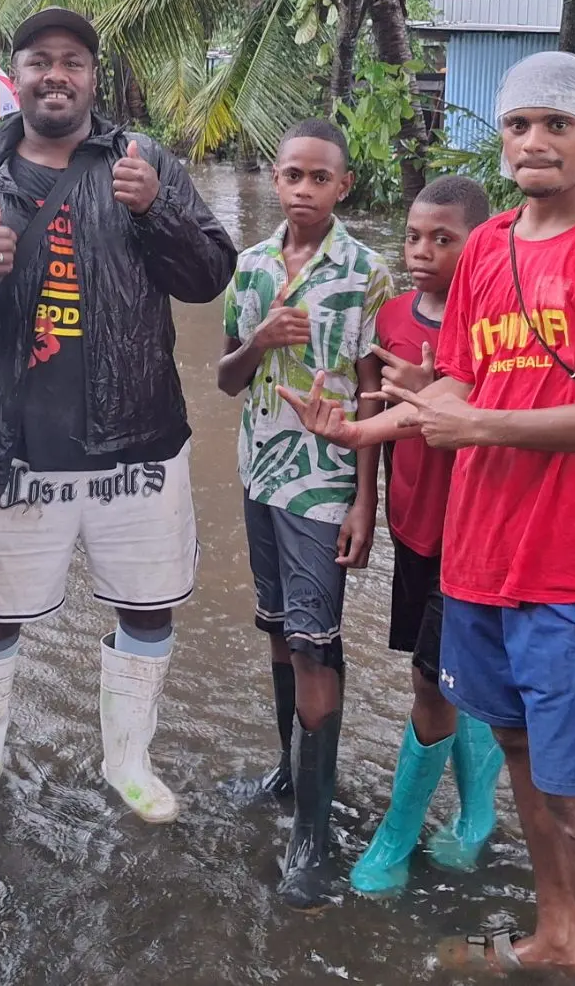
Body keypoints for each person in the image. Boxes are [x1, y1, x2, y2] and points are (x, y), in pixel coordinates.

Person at [284, 52, 575, 983]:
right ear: (499, 138)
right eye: (518, 125)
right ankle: (558, 935)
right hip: (477, 557)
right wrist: (364, 427)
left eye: (557, 124)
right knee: (517, 752)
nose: (536, 142)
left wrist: (480, 422)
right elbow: (459, 382)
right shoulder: (493, 245)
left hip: (572, 564)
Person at [0, 6, 236, 830]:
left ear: (95, 76)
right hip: (11, 444)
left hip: (136, 438)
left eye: (72, 61)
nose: (55, 75)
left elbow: (208, 278)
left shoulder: (144, 162)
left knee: (147, 604)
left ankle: (129, 759)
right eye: (38, 61)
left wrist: (155, 210)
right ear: (15, 75)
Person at [217, 119, 393, 910]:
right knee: (282, 637)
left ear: (343, 186)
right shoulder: (250, 267)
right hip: (261, 474)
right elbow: (225, 379)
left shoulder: (365, 272)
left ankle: (314, 840)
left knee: (317, 646)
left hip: (323, 487)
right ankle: (291, 776)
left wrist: (367, 498)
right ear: (276, 178)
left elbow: (373, 391)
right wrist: (257, 339)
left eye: (320, 178)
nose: (304, 190)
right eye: (292, 175)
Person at [348, 174, 505, 898]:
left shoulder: (493, 326)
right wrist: (367, 504)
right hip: (413, 523)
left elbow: (502, 418)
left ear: (480, 245)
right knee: (440, 670)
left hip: (472, 532)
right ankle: (478, 815)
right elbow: (372, 419)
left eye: (444, 239)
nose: (423, 251)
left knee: (430, 678)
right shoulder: (388, 317)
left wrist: (439, 376)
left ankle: (398, 835)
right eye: (414, 236)